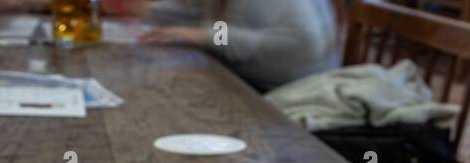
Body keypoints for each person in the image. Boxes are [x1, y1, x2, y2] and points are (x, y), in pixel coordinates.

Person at [138, 0, 339, 91]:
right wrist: (147, 8)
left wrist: (206, 35)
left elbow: (302, 43)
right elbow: (196, 8)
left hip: (293, 94)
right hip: (244, 81)